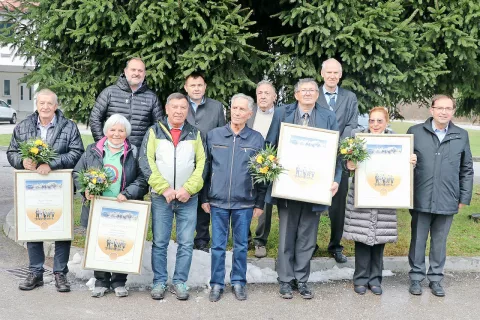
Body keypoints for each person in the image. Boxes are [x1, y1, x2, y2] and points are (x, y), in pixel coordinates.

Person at [265, 78, 342, 299]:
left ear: (317, 95)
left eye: (312, 90)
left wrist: (335, 178)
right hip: (288, 186)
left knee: (307, 237)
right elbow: (270, 145)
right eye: (303, 90)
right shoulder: (282, 113)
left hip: (315, 188)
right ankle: (286, 280)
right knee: (287, 234)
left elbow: (335, 152)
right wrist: (272, 166)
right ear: (296, 94)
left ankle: (302, 279)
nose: (307, 94)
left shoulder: (328, 117)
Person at [7, 89, 84, 292]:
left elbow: (77, 153)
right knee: (33, 224)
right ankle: (36, 273)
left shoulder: (69, 127)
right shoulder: (23, 127)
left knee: (62, 229)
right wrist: (22, 161)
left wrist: (52, 164)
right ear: (37, 104)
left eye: (49, 103)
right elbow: (12, 152)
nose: (45, 107)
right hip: (32, 188)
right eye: (42, 103)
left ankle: (60, 273)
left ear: (56, 106)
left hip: (59, 187)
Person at [343, 107, 417, 295]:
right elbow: (347, 167)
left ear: (386, 122)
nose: (375, 124)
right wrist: (349, 164)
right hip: (362, 197)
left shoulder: (398, 142)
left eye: (379, 121)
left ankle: (375, 280)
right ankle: (360, 279)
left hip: (385, 196)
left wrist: (411, 162)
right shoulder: (358, 140)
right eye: (372, 121)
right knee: (361, 241)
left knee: (379, 241)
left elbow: (402, 170)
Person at [139, 93, 205, 301]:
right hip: (161, 197)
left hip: (188, 198)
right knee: (160, 242)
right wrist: (164, 188)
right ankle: (159, 281)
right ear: (166, 109)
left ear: (187, 111)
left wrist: (188, 189)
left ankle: (180, 281)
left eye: (183, 108)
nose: (178, 111)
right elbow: (146, 162)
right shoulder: (153, 132)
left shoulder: (196, 134)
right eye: (174, 107)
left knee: (186, 242)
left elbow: (203, 165)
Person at [73, 114, 148, 298]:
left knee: (120, 241)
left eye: (121, 130)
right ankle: (101, 280)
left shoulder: (134, 152)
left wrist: (128, 193)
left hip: (123, 207)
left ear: (126, 133)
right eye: (112, 129)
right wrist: (85, 190)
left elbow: (142, 178)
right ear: (106, 131)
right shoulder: (92, 150)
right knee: (99, 242)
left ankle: (119, 281)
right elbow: (77, 172)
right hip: (98, 207)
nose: (116, 133)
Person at [201, 94, 266, 302]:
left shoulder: (256, 139)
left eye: (241, 110)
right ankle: (217, 284)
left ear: (250, 113)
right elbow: (205, 169)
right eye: (234, 108)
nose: (237, 113)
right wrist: (204, 197)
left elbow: (262, 173)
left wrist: (259, 201)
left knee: (241, 245)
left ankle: (238, 281)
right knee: (218, 246)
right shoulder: (214, 135)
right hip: (218, 201)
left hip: (244, 202)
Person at [407, 95, 473, 297]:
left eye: (448, 108)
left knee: (439, 241)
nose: (444, 112)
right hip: (420, 197)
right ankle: (416, 278)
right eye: (440, 108)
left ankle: (435, 279)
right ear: (431, 110)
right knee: (418, 240)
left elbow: (467, 169)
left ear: (453, 111)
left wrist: (464, 197)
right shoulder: (415, 132)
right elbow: (401, 164)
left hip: (448, 198)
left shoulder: (461, 135)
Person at [316, 58, 359, 263]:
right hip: (316, 156)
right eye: (329, 72)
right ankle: (310, 244)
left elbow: (352, 124)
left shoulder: (349, 97)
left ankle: (335, 245)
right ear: (322, 74)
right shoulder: (313, 94)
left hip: (340, 157)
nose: (332, 76)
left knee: (338, 205)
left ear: (340, 75)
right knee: (312, 201)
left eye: (336, 73)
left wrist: (339, 144)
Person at [183, 71, 226, 252]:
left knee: (204, 200)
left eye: (199, 85)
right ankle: (184, 237)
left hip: (208, 161)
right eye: (192, 85)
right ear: (186, 88)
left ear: (205, 86)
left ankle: (201, 239)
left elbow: (222, 132)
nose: (196, 88)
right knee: (185, 199)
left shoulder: (216, 107)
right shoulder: (180, 105)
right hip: (184, 160)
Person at [89, 57, 163, 148]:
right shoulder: (109, 93)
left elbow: (158, 127)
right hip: (112, 152)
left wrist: (147, 149)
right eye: (133, 70)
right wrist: (103, 144)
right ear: (125, 71)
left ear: (144, 74)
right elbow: (95, 119)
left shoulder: (152, 98)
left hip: (139, 154)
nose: (136, 73)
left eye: (140, 71)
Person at [246, 80, 277, 258]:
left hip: (270, 163)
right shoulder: (250, 112)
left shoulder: (281, 114)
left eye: (267, 93)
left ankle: (260, 240)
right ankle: (245, 238)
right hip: (247, 162)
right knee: (243, 200)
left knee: (265, 202)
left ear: (274, 96)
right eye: (260, 93)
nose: (263, 96)